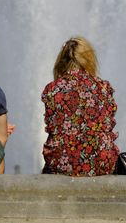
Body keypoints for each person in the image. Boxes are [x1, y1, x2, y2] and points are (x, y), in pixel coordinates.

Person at [41, 36, 119, 176]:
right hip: (101, 161)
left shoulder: (52, 89)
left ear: (61, 61)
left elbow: (52, 127)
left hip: (62, 162)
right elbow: (109, 124)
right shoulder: (103, 87)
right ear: (89, 58)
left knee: (47, 170)